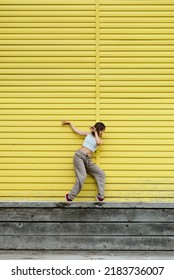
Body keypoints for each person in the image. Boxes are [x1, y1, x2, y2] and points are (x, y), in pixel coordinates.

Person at [62, 121, 106, 202]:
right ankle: (70, 196)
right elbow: (76, 131)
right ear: (98, 129)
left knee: (101, 174)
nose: (102, 133)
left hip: (87, 160)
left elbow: (98, 142)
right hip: (79, 156)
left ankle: (100, 196)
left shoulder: (100, 140)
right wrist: (70, 123)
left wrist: (96, 132)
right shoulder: (88, 134)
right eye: (102, 131)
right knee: (82, 177)